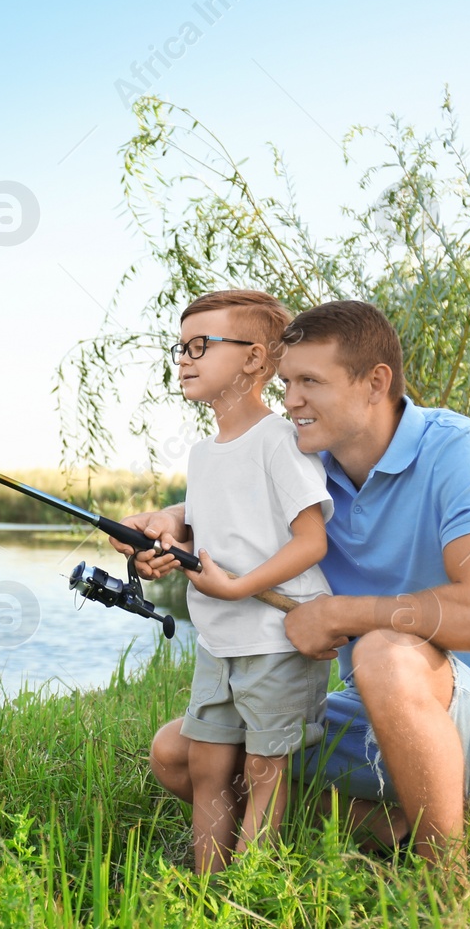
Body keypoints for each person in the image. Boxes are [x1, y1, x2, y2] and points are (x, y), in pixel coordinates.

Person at [118, 299, 470, 866]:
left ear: (375, 382)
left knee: (384, 653)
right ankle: (384, 828)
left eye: (310, 382)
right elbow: (239, 503)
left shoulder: (463, 452)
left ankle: (447, 885)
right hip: (371, 710)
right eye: (285, 381)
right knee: (180, 752)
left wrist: (341, 614)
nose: (290, 400)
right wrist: (171, 522)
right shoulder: (312, 461)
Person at [161, 289, 333, 872]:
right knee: (208, 767)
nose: (184, 359)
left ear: (256, 360)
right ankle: (207, 889)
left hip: (278, 640)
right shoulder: (201, 453)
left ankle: (250, 895)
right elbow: (212, 531)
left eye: (200, 346)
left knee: (264, 771)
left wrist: (237, 588)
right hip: (218, 642)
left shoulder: (278, 440)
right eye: (180, 347)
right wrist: (166, 538)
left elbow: (312, 541)